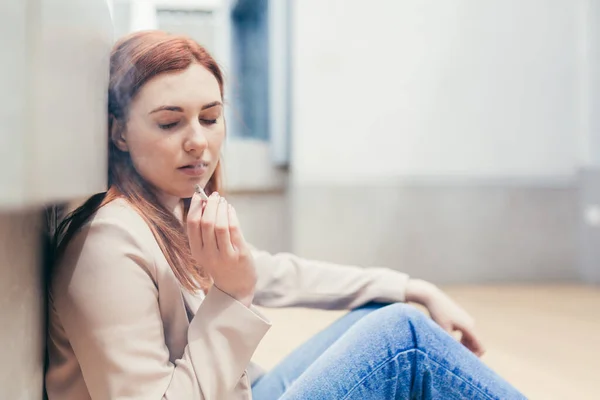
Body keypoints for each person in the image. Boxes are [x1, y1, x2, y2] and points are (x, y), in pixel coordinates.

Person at [45, 30, 526, 400]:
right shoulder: (107, 246)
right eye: (171, 122)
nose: (199, 141)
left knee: (383, 312)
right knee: (402, 339)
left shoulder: (171, 212)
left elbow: (279, 273)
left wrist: (410, 286)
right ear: (119, 133)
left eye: (210, 118)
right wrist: (231, 294)